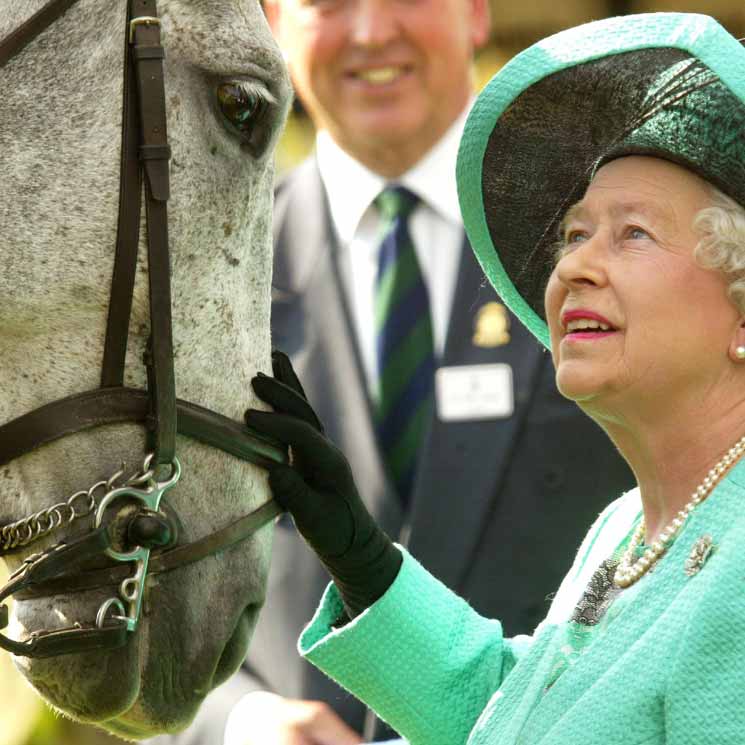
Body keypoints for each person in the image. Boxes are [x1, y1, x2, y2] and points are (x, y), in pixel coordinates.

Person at [242, 12, 745, 744]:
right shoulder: (625, 529)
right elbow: (523, 720)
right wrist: (368, 567)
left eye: (632, 232)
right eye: (574, 234)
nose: (572, 265)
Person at [151, 2, 632, 743]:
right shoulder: (197, 278)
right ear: (274, 26)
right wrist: (238, 721)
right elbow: (140, 579)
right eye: (329, 2)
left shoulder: (618, 247)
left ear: (474, 12)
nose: (372, 31)